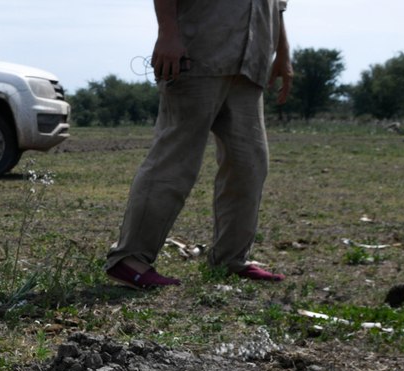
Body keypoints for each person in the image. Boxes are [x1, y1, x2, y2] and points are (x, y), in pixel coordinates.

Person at [105, 0, 294, 289]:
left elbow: (277, 5)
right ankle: (130, 260)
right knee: (174, 161)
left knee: (250, 166)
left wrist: (283, 53)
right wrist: (168, 34)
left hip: (250, 66)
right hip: (198, 55)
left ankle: (231, 260)